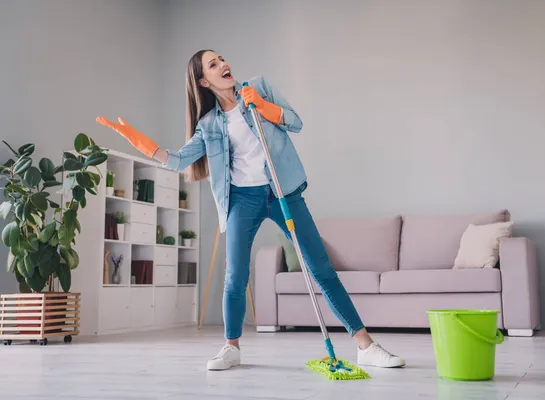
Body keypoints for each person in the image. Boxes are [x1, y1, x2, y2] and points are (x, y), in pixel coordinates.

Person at [96, 49, 406, 371]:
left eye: (222, 59)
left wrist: (261, 104)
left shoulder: (258, 88)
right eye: (213, 65)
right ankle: (231, 348)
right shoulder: (209, 124)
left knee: (322, 270)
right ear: (203, 81)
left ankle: (365, 345)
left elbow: (295, 123)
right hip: (241, 199)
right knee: (235, 277)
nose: (223, 65)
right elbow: (176, 160)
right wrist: (135, 139)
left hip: (282, 191)